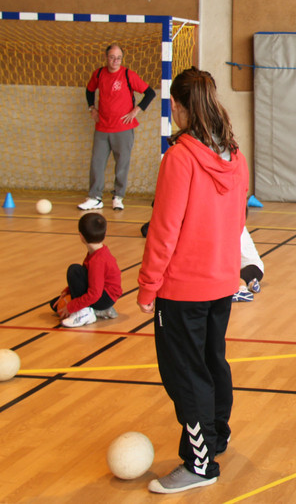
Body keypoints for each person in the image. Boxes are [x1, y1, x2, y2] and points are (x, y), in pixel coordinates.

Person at [137, 68, 248, 494]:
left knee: (186, 375)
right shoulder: (234, 155)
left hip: (182, 289)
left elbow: (164, 229)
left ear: (179, 106)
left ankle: (200, 464)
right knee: (212, 362)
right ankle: (216, 435)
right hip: (221, 283)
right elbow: (238, 220)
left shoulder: (180, 158)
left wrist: (148, 285)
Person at [78, 43, 157, 211]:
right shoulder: (99, 74)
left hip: (123, 129)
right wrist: (92, 108)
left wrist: (136, 110)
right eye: (112, 57)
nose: (115, 61)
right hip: (102, 127)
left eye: (119, 58)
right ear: (106, 57)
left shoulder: (128, 75)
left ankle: (118, 197)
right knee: (97, 163)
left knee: (122, 164)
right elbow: (89, 91)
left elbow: (150, 93)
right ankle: (95, 197)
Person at [50, 212, 122, 327]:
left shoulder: (98, 260)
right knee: (55, 305)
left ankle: (84, 313)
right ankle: (100, 311)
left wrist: (72, 307)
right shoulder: (97, 252)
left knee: (74, 270)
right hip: (103, 296)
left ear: (81, 236)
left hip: (103, 297)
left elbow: (94, 294)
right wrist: (67, 292)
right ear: (105, 233)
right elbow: (88, 277)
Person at [231, 226, 265, 303]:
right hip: (244, 268)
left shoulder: (235, 228)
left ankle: (242, 290)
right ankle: (250, 283)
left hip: (252, 267)